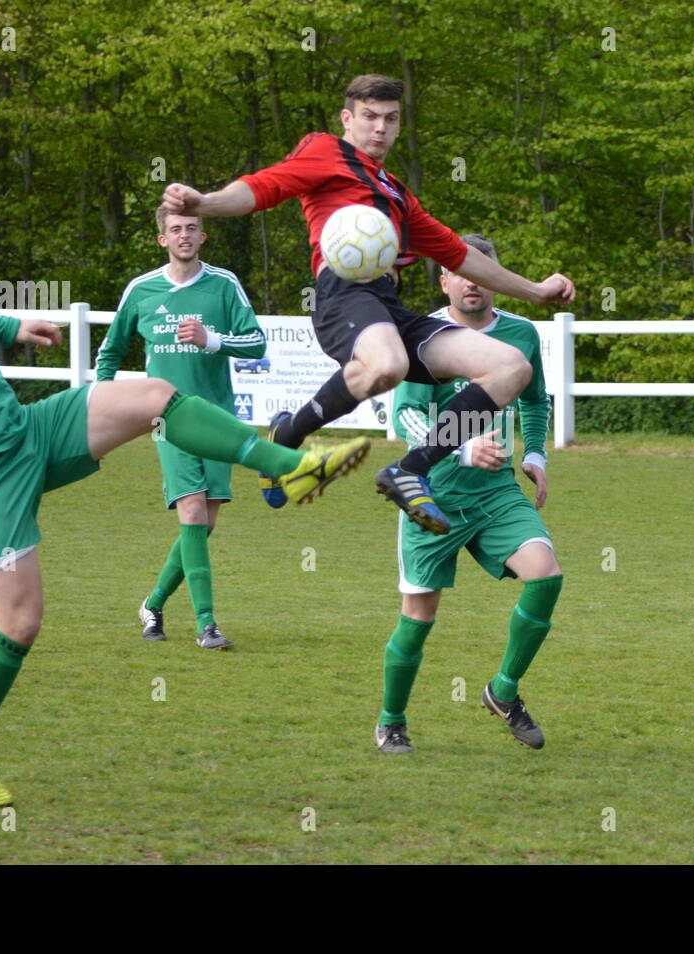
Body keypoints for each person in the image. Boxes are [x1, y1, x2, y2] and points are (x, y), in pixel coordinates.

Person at [0, 182, 369, 806]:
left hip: (26, 431)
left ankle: (290, 465)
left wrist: (14, 322)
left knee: (155, 393)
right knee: (19, 622)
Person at [160, 73, 575, 536]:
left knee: (511, 367)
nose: (380, 127)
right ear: (347, 119)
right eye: (370, 117)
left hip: (387, 305)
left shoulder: (397, 193)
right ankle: (293, 435)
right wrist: (205, 203)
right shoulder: (324, 151)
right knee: (387, 364)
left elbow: (461, 256)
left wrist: (536, 291)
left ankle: (406, 467)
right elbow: (265, 186)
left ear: (399, 126)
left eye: (391, 119)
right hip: (341, 293)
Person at [375, 234, 562, 754]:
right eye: (460, 271)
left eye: (482, 272)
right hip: (431, 497)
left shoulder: (521, 335)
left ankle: (502, 692)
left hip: (496, 494)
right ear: (444, 279)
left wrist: (535, 455)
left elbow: (534, 400)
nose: (471, 282)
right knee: (419, 617)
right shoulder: (426, 335)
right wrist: (462, 447)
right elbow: (405, 415)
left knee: (545, 577)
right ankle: (392, 721)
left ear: (496, 279)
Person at [96, 210, 267, 650]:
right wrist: (101, 402)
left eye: (191, 227)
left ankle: (153, 604)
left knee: (203, 524)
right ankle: (207, 624)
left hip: (216, 419)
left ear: (203, 235)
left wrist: (213, 339)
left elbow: (257, 342)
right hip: (167, 419)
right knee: (190, 512)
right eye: (175, 229)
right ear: (162, 239)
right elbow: (110, 351)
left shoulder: (224, 284)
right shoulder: (142, 290)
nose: (184, 235)